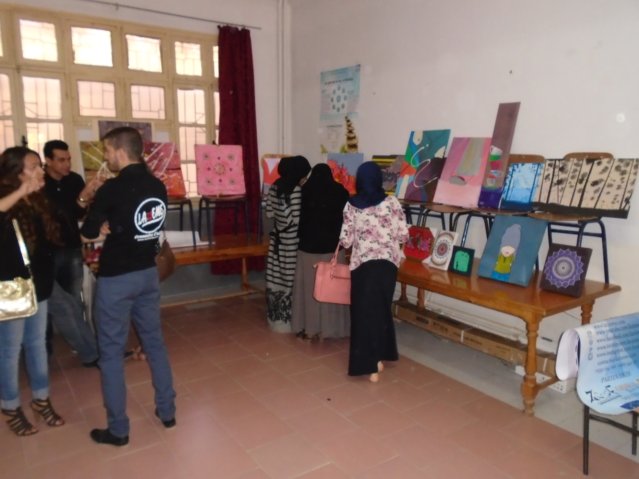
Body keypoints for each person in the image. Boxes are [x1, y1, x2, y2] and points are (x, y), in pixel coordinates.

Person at [80, 127, 176, 446]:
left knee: (110, 353)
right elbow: (146, 225)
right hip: (147, 274)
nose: (106, 157)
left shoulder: (111, 189)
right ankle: (167, 411)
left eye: (107, 151)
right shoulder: (157, 185)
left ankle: (118, 429)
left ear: (120, 151)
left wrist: (101, 221)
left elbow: (87, 232)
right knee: (154, 344)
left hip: (117, 278)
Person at [0, 146, 65, 436]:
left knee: (37, 344)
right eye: (33, 166)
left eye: (40, 165)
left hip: (39, 285)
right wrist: (20, 192)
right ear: (16, 173)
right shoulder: (8, 200)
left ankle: (41, 398)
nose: (41, 171)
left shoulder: (38, 200)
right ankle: (10, 405)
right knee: (9, 350)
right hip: (11, 287)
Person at [339, 161, 409, 383]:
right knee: (381, 310)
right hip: (388, 265)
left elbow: (346, 240)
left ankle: (370, 366)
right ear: (379, 179)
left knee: (364, 314)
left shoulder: (352, 205)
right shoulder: (392, 202)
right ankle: (381, 355)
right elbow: (403, 234)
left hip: (363, 265)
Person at [42, 140, 102, 367]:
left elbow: (78, 214)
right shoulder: (39, 183)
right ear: (48, 161)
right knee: (48, 304)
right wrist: (82, 197)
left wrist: (85, 198)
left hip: (71, 248)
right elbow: (54, 215)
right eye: (61, 160)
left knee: (73, 299)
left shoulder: (74, 180)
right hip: (46, 252)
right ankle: (45, 351)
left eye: (68, 159)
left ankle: (83, 346)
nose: (67, 164)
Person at [291, 163, 350, 341]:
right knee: (333, 289)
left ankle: (308, 327)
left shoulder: (304, 191)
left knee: (309, 288)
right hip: (333, 250)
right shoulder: (341, 192)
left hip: (308, 249)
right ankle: (333, 329)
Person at [265, 155, 311, 332]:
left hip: (277, 239)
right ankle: (290, 323)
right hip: (291, 242)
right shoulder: (296, 190)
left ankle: (276, 321)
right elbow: (297, 220)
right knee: (290, 280)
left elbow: (269, 213)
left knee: (276, 278)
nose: (305, 178)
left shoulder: (274, 187)